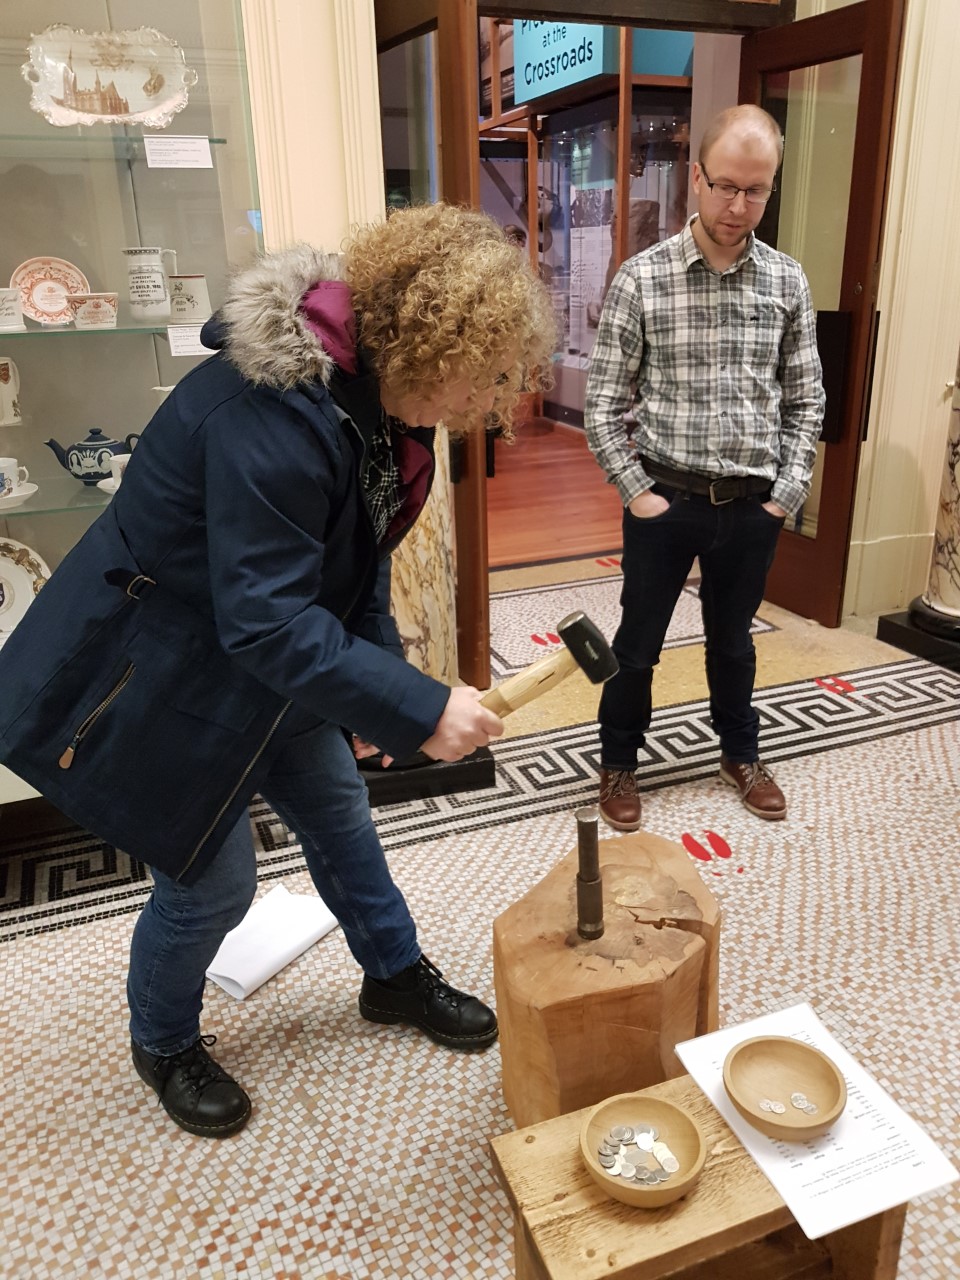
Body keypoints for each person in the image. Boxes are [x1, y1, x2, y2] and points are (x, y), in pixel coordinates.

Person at [0, 203, 555, 1137]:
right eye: (476, 382)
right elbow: (265, 621)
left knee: (342, 821)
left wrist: (380, 687)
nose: (478, 408)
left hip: (274, 657)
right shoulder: (268, 414)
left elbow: (356, 560)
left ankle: (391, 975)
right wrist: (418, 706)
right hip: (169, 672)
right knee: (211, 886)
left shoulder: (377, 406)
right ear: (426, 342)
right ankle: (164, 1037)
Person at [584, 105, 825, 832]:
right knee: (637, 643)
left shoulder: (787, 282)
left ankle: (739, 753)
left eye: (756, 190)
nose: (737, 206)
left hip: (752, 506)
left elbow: (807, 401)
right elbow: (602, 406)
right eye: (725, 186)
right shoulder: (642, 279)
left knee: (733, 641)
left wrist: (784, 496)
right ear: (696, 178)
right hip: (666, 496)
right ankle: (619, 762)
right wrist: (639, 495)